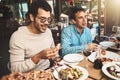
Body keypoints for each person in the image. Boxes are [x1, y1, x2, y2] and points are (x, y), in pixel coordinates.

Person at [9, 0, 60, 73]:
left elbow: (52, 52)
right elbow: (15, 69)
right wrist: (38, 57)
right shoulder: (18, 37)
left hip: (47, 71)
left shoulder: (48, 32)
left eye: (49, 19)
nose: (46, 23)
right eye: (42, 19)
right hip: (28, 76)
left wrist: (56, 58)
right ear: (32, 17)